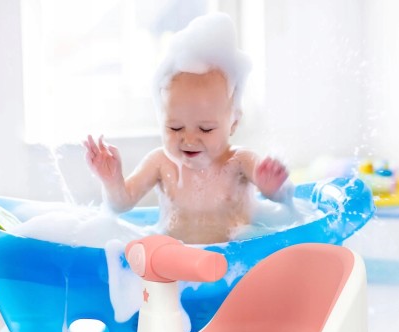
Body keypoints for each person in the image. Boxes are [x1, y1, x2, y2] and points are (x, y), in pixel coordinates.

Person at [84, 13, 289, 244]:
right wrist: (112, 181)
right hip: (177, 258)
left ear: (233, 123)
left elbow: (283, 199)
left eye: (205, 129)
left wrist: (273, 187)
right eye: (175, 127)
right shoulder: (160, 162)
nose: (189, 139)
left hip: (235, 257)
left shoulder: (240, 162)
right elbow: (121, 204)